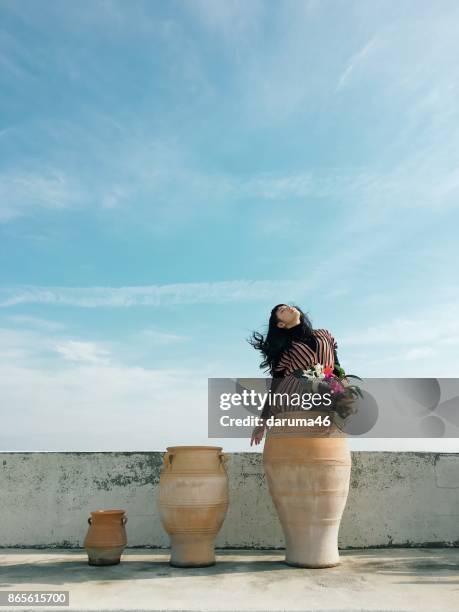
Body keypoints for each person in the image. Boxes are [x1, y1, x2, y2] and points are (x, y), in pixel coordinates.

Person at [247, 304, 345, 446]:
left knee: (348, 393)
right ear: (281, 324)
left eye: (288, 306)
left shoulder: (324, 334)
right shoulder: (286, 347)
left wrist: (344, 386)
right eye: (282, 310)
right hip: (297, 391)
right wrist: (263, 420)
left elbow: (336, 367)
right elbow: (276, 382)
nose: (288, 308)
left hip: (328, 386)